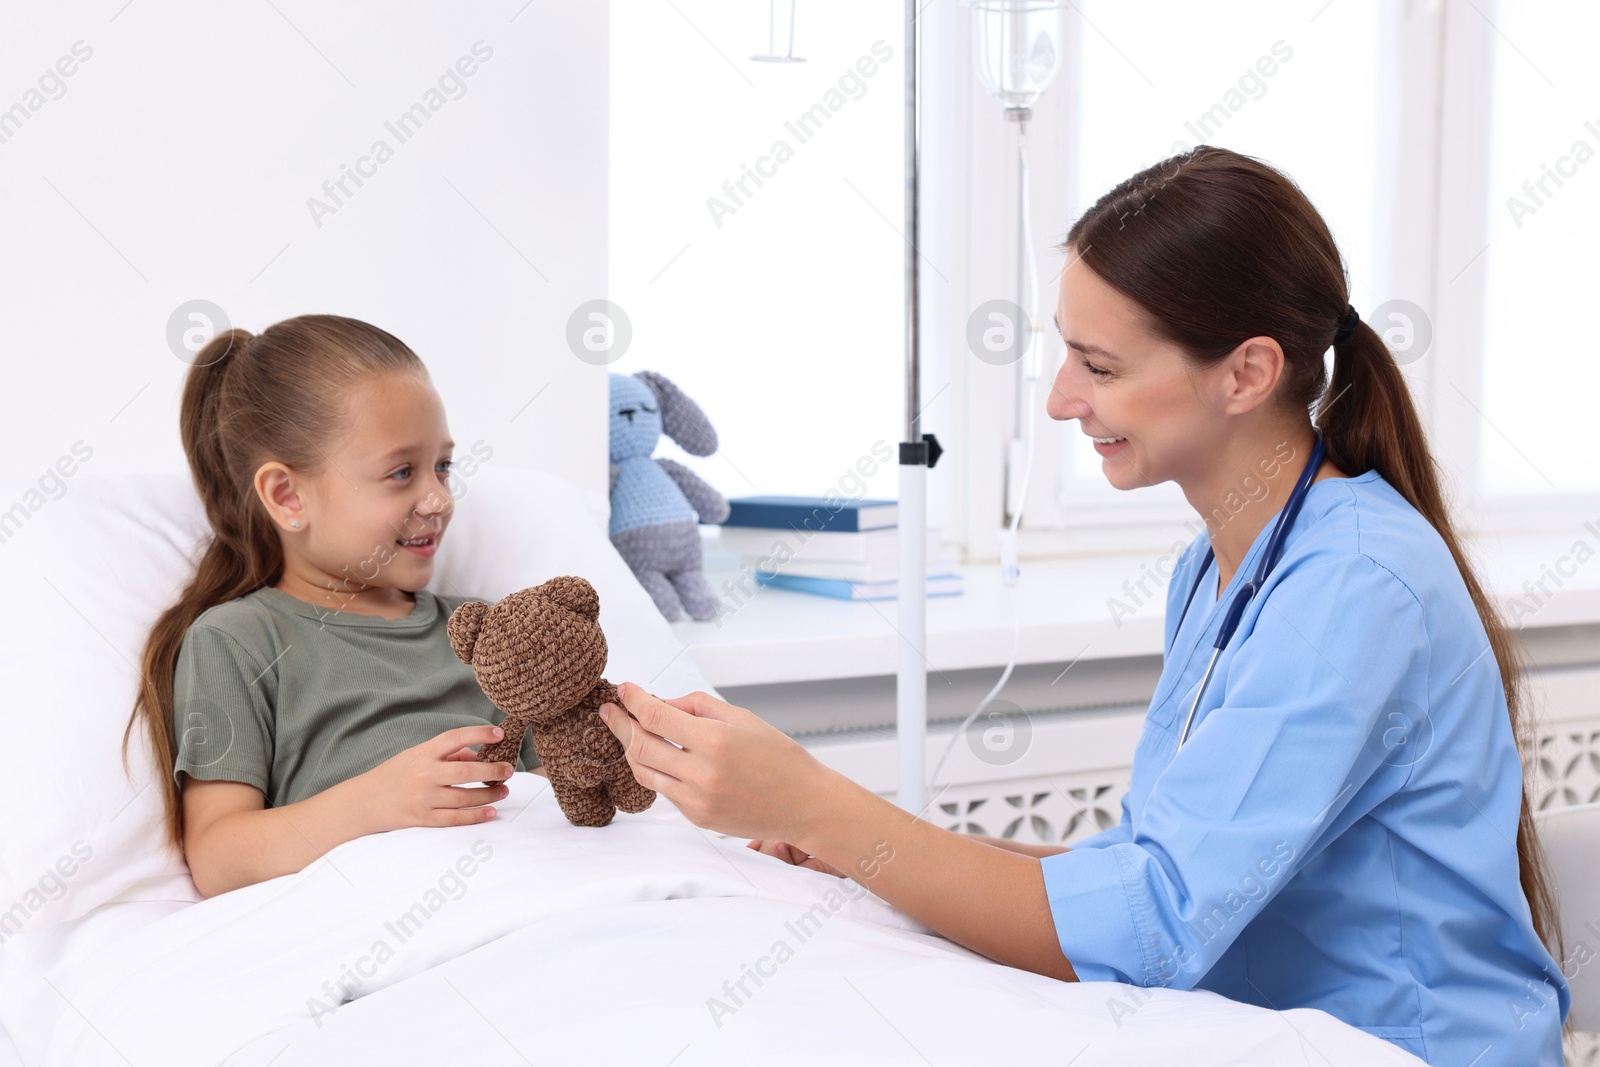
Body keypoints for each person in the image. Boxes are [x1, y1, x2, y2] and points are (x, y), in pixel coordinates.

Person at [596, 146, 1570, 1066]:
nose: (1062, 399)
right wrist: (860, 852)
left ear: (1246, 372)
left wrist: (825, 805)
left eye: (1098, 366)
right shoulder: (1219, 567)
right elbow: (1155, 869)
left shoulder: (1353, 586)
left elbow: (1153, 917)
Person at [125, 315, 539, 899]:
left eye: (443, 466)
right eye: (402, 473)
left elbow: (556, 787)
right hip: (389, 916)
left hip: (533, 890)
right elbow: (220, 857)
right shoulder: (240, 640)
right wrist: (375, 802)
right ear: (288, 496)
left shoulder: (488, 629)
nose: (439, 498)